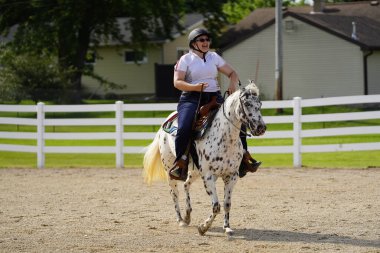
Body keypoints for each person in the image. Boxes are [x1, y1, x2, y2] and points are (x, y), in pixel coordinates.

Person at [169, 28, 261, 181]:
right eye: (201, 40)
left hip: (214, 97)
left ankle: (244, 157)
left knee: (239, 119)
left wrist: (232, 84)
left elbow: (232, 73)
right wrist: (195, 87)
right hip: (191, 98)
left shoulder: (213, 57)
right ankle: (180, 163)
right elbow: (177, 82)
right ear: (194, 43)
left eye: (207, 39)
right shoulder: (185, 59)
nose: (206, 42)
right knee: (184, 126)